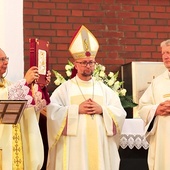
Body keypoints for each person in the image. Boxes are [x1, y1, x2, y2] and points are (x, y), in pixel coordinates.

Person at [46, 25, 127, 170]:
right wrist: (76, 109)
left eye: (90, 62)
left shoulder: (105, 90)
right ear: (76, 64)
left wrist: (102, 109)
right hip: (74, 146)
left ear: (95, 64)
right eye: (83, 63)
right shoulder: (65, 89)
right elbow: (52, 112)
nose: (87, 66)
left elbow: (120, 113)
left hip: (100, 144)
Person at [0, 48, 51, 170]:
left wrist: (38, 86)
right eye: (1, 59)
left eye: (6, 59)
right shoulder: (13, 87)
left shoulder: (10, 85)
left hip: (16, 146)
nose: (6, 62)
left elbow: (29, 109)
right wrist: (24, 83)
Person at [138, 39, 170, 170]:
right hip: (162, 138)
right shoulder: (157, 82)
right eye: (163, 53)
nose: (166, 56)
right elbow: (143, 107)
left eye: (168, 52)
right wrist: (156, 109)